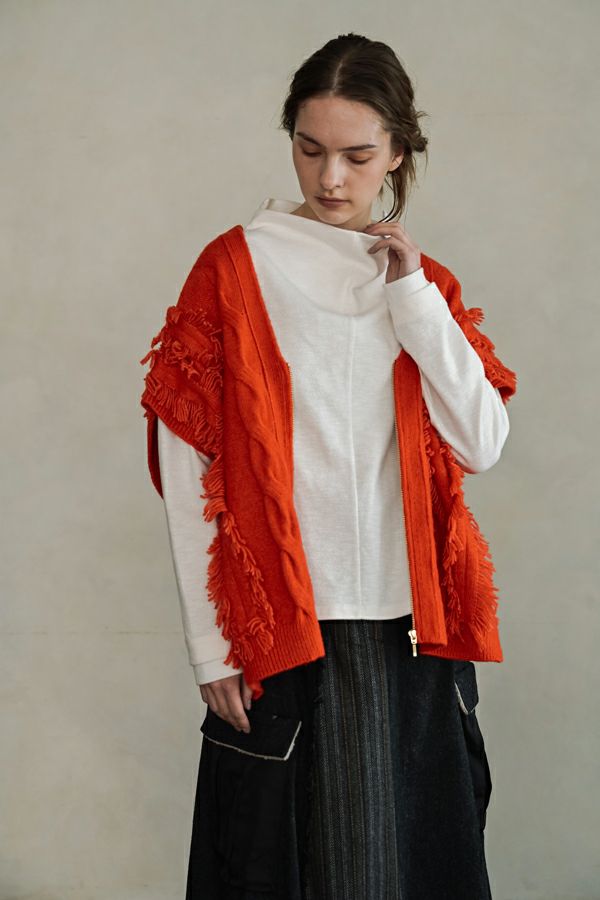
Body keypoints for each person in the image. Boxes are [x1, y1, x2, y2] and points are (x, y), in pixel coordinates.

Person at [139, 32, 517, 900]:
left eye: (358, 156)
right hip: (285, 632)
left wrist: (411, 295)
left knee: (413, 872)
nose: (331, 179)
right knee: (288, 870)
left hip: (412, 634)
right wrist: (210, 646)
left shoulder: (423, 286)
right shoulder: (233, 271)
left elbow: (481, 442)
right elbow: (186, 462)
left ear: (399, 152)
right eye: (310, 150)